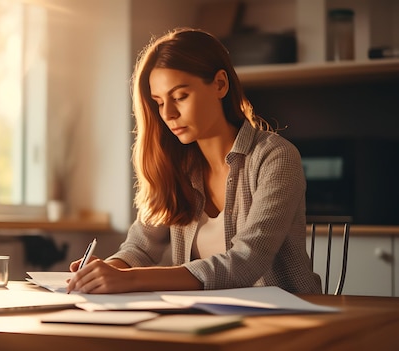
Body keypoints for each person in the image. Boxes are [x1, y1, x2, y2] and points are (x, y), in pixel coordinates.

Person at [67, 28, 321, 295]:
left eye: (180, 97)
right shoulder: (177, 166)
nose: (169, 113)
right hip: (206, 315)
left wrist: (129, 279)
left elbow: (246, 262)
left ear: (220, 84)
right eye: (159, 102)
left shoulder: (275, 157)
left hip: (286, 317)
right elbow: (139, 249)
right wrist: (104, 272)